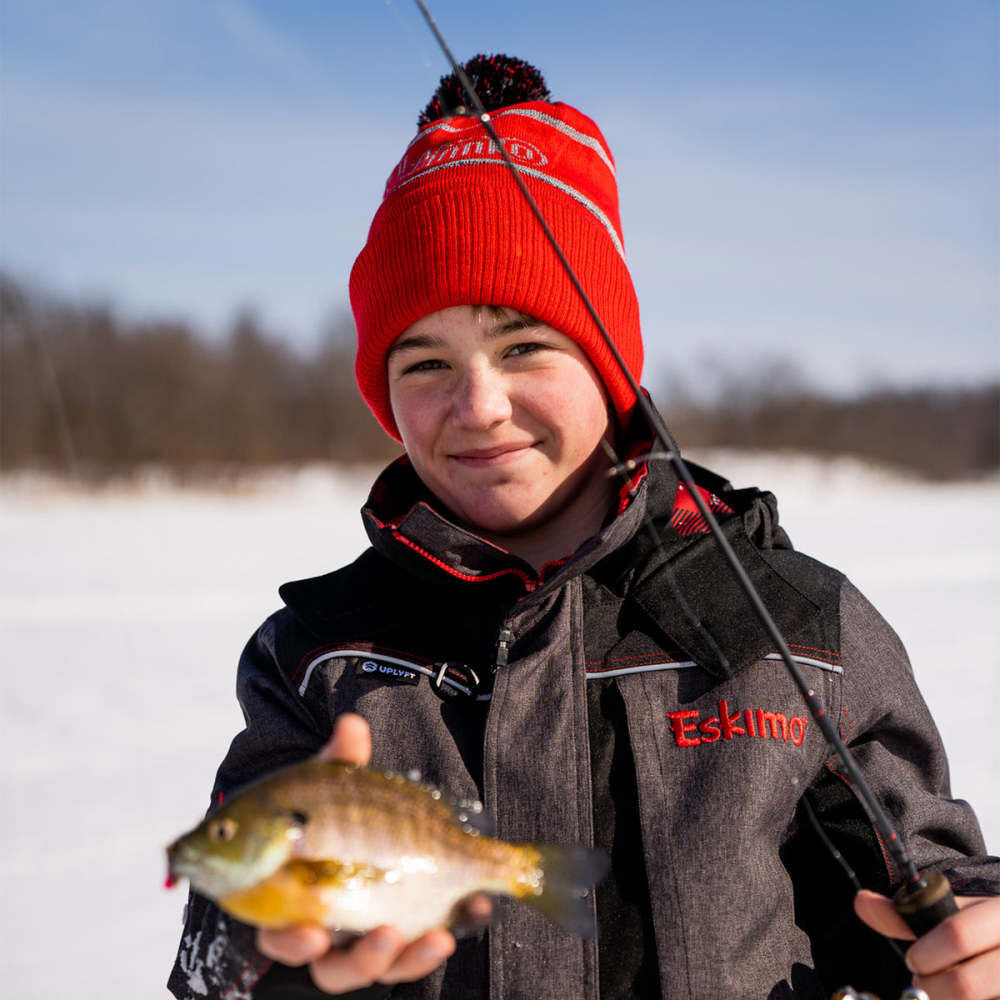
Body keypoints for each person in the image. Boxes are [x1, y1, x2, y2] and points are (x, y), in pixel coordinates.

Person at [168, 55, 1000, 1000]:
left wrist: (975, 944)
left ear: (608, 364)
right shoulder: (318, 654)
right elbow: (215, 953)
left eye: (525, 346)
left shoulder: (797, 624)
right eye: (426, 363)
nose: (479, 407)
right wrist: (273, 960)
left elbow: (933, 885)